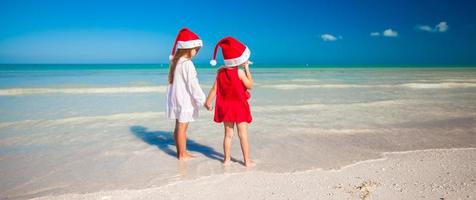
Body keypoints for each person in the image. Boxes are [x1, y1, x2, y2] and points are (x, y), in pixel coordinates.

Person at [205, 36, 254, 167]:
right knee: (242, 134)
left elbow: (215, 89)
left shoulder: (220, 73)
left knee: (228, 135)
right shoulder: (240, 73)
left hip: (226, 107)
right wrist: (247, 69)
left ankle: (226, 160)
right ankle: (247, 161)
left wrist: (208, 102)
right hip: (239, 107)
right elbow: (250, 85)